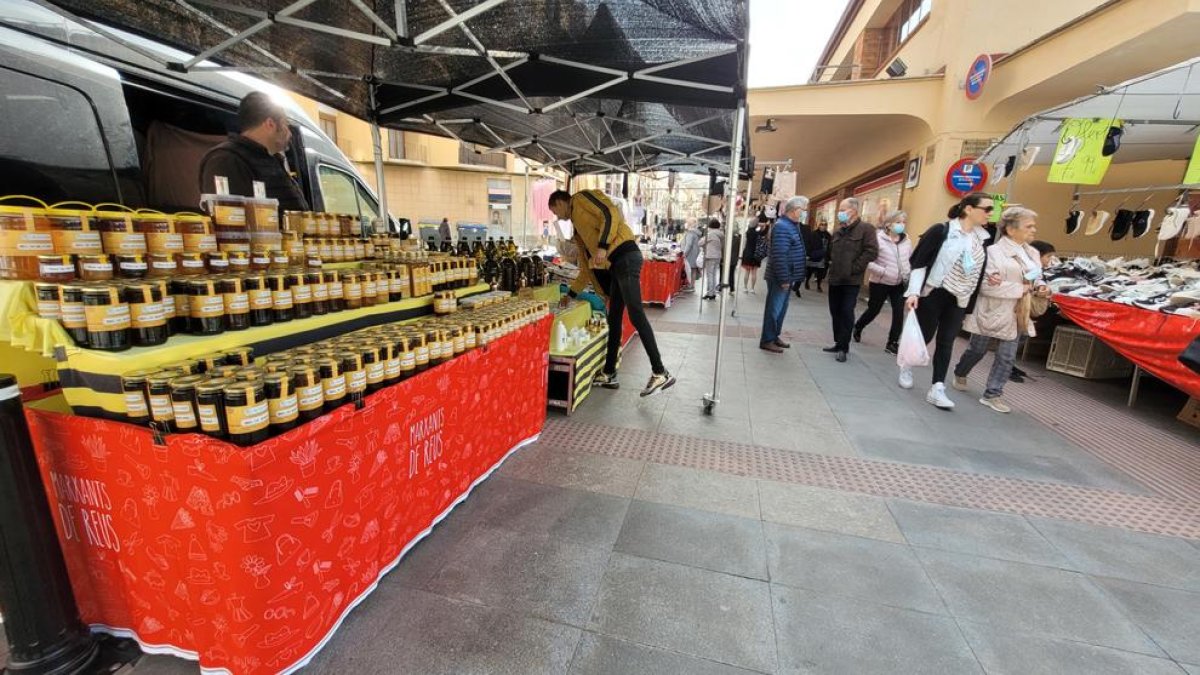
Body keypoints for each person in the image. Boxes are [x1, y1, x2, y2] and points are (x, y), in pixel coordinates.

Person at [548, 189, 675, 397]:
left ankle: (660, 371)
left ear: (560, 202)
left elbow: (609, 213)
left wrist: (603, 246)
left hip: (625, 255)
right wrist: (570, 295)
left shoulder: (580, 200)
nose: (557, 216)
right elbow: (587, 269)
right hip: (616, 264)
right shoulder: (578, 232)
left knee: (636, 314)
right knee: (613, 317)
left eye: (555, 210)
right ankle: (609, 373)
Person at [900, 192, 994, 409]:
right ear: (968, 209)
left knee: (947, 341)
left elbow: (975, 267)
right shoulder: (942, 231)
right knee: (924, 336)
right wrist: (914, 292)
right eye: (986, 209)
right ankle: (907, 365)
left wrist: (990, 276)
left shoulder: (982, 238)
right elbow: (920, 263)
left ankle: (937, 387)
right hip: (935, 291)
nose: (990, 214)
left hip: (960, 297)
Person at [952, 207, 1048, 413]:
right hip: (992, 310)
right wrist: (1020, 288)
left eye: (1034, 226)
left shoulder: (1032, 253)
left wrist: (1040, 285)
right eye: (1028, 226)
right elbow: (987, 285)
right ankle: (961, 371)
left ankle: (993, 393)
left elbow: (1036, 275)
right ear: (1011, 230)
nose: (1034, 230)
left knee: (1007, 355)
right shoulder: (993, 252)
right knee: (977, 349)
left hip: (1018, 311)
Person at [199, 91, 309, 211]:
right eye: (285, 124)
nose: (289, 133)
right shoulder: (226, 160)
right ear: (270, 124)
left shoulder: (270, 158)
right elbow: (230, 220)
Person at [823, 197, 879, 363]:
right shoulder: (838, 230)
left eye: (842, 209)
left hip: (851, 280)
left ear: (853, 210)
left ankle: (843, 347)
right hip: (835, 278)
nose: (839, 213)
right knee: (835, 311)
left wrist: (854, 269)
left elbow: (872, 251)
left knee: (847, 311)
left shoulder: (866, 229)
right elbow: (831, 251)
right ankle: (837, 341)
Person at [853, 210, 913, 355]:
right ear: (888, 224)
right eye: (898, 222)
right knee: (874, 309)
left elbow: (910, 259)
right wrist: (884, 271)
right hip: (880, 282)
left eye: (904, 222)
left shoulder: (907, 241)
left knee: (899, 313)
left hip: (899, 283)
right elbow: (868, 261)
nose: (901, 225)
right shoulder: (877, 239)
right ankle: (859, 326)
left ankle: (892, 343)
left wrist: (908, 272)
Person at [759, 196, 808, 354]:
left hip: (787, 275)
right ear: (795, 210)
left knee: (781, 309)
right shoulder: (783, 227)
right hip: (781, 276)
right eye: (804, 210)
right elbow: (780, 254)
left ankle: (774, 336)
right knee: (774, 309)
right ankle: (767, 339)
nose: (805, 213)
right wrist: (785, 278)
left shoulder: (791, 225)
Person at [741, 216, 768, 293]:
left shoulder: (748, 232)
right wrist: (763, 225)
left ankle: (745, 288)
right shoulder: (758, 233)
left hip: (747, 253)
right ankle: (752, 289)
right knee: (754, 272)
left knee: (747, 272)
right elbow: (764, 231)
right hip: (756, 254)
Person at [700, 218, 725, 300]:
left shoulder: (710, 234)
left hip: (710, 256)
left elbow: (700, 243)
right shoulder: (721, 234)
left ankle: (710, 293)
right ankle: (712, 292)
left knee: (710, 275)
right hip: (718, 256)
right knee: (714, 275)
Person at [803, 220, 831, 292]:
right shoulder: (813, 234)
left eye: (825, 225)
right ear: (819, 225)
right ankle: (807, 282)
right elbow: (808, 244)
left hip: (823, 257)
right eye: (822, 224)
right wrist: (808, 254)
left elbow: (830, 247)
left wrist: (830, 257)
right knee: (810, 270)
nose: (823, 226)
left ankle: (819, 285)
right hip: (814, 255)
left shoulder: (828, 235)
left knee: (821, 272)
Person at [680, 218, 702, 291]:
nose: (685, 224)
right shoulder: (696, 232)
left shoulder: (690, 233)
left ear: (689, 224)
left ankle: (691, 286)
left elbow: (688, 245)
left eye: (687, 222)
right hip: (695, 253)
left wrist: (684, 254)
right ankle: (692, 285)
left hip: (690, 254)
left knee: (690, 271)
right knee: (693, 270)